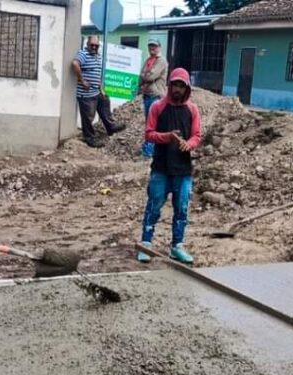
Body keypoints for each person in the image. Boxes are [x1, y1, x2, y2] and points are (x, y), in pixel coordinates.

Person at [136, 68, 201, 264]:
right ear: (169, 85)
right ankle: (146, 244)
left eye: (182, 86)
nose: (178, 89)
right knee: (154, 205)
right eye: (175, 85)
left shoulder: (192, 110)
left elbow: (197, 135)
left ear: (187, 88)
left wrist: (188, 144)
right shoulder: (157, 107)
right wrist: (167, 137)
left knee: (181, 208)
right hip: (161, 168)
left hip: (183, 169)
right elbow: (149, 134)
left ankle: (177, 246)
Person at [72, 35, 125, 148]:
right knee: (88, 116)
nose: (94, 47)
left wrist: (100, 86)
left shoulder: (98, 56)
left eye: (96, 45)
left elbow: (97, 72)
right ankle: (90, 138)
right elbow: (75, 64)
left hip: (96, 91)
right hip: (86, 94)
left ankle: (111, 127)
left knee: (105, 102)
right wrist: (82, 80)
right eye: (92, 45)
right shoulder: (83, 54)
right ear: (87, 45)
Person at [139, 38, 168, 158]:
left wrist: (144, 75)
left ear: (159, 47)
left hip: (156, 96)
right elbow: (142, 75)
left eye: (154, 46)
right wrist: (144, 75)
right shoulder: (148, 61)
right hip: (147, 95)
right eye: (150, 46)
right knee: (149, 124)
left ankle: (148, 152)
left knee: (153, 124)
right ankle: (150, 149)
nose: (152, 48)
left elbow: (151, 76)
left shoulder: (161, 61)